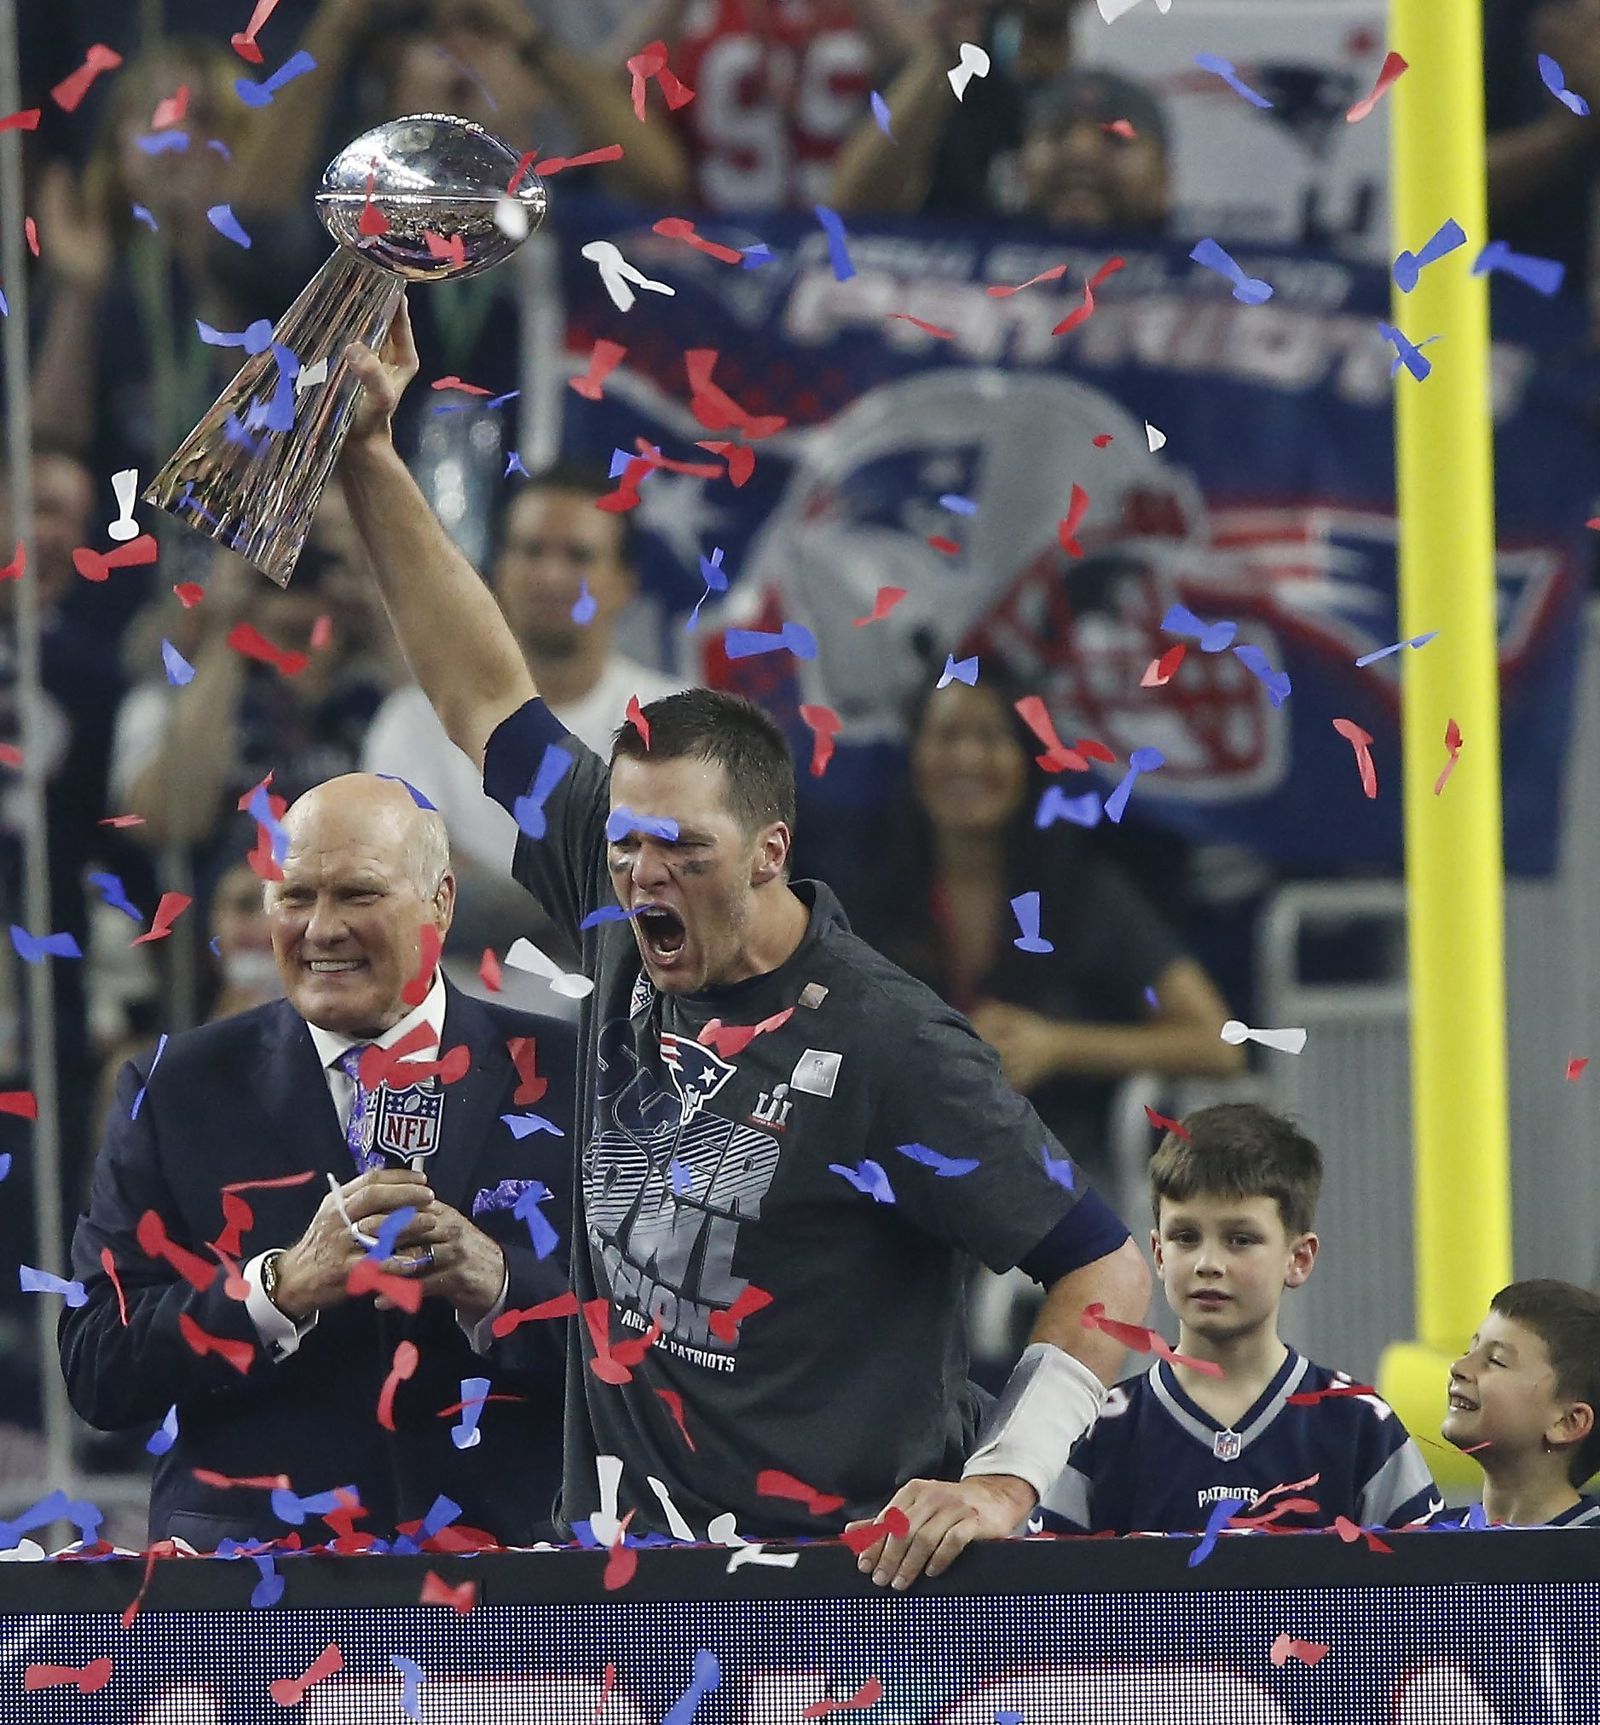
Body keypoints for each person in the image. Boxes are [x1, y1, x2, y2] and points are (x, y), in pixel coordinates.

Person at [337, 294, 1152, 1584]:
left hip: (838, 1605)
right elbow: (483, 689)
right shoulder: (618, 896)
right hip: (624, 1588)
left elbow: (1106, 1266)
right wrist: (369, 459)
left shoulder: (892, 1042)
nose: (642, 875)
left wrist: (1005, 1479)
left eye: (684, 854)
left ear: (770, 853)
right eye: (627, 844)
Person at [59, 775, 577, 1549]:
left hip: (509, 1593)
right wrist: (277, 1288)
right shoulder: (172, 1089)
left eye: (358, 895)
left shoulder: (571, 1075)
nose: (320, 929)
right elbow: (97, 1361)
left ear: (441, 901)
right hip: (254, 1599)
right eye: (295, 895)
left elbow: (651, 1350)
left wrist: (500, 1286)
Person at [860, 675, 1243, 1191]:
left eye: (992, 738)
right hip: (903, 1180)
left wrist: (1058, 1046)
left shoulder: (1083, 893)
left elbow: (1220, 1044)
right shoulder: (869, 896)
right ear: (914, 758)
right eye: (948, 737)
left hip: (1062, 1173)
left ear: (1028, 762)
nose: (968, 758)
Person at [1038, 1104, 1440, 1535]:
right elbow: (1044, 1596)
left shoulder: (1360, 1427)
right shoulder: (1101, 1430)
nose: (1208, 1263)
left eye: (1240, 1240)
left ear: (1299, 1258)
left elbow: (1430, 1592)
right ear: (1158, 1253)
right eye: (1186, 1238)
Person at [362, 463, 685, 960]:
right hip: (447, 1030)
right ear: (497, 571)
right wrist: (599, 891)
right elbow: (401, 895)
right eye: (531, 550)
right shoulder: (412, 720)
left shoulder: (675, 723)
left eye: (578, 555)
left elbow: (683, 900)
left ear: (625, 581)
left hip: (616, 1033)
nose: (551, 574)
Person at [1437, 1280, 1600, 1528]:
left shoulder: (1588, 1554)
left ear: (1567, 1422)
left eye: (1496, 1360)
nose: (1458, 1368)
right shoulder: (1429, 1545)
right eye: (1467, 1351)